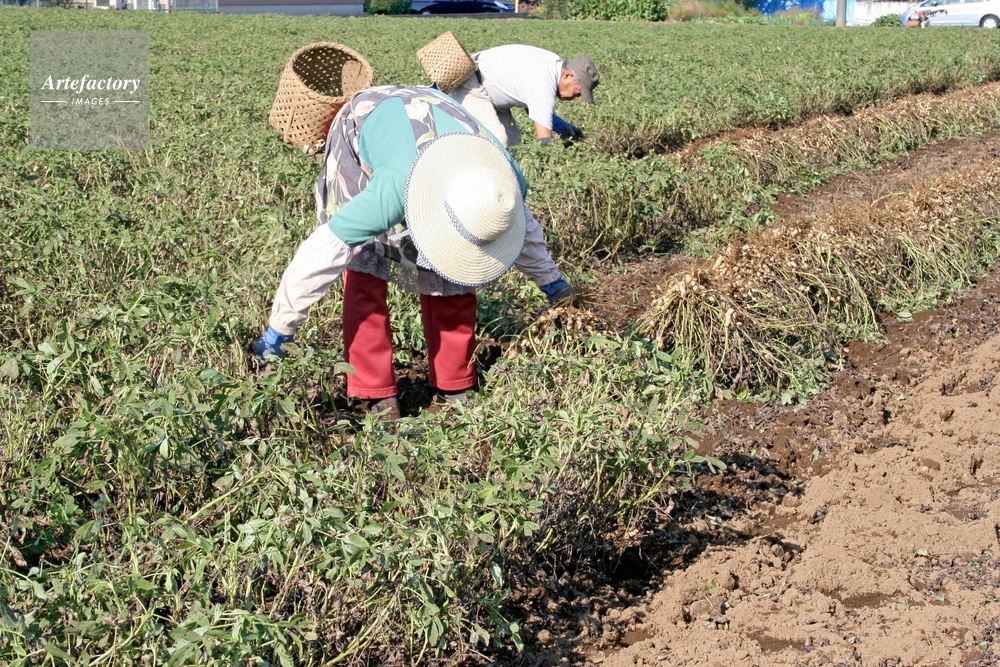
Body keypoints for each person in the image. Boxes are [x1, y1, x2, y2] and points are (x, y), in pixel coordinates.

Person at [252, 85, 574, 418]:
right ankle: (376, 392)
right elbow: (324, 249)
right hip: (365, 125)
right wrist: (280, 329)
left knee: (454, 272)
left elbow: (526, 233)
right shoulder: (390, 192)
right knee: (364, 262)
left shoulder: (504, 182)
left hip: (436, 126)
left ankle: (454, 384)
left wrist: (554, 285)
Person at [447, 45, 600, 148]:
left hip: (487, 89)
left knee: (512, 142)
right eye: (578, 92)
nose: (576, 97)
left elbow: (533, 106)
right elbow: (544, 140)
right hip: (470, 84)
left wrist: (561, 126)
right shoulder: (544, 82)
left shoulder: (554, 65)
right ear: (568, 75)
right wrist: (547, 165)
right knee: (498, 141)